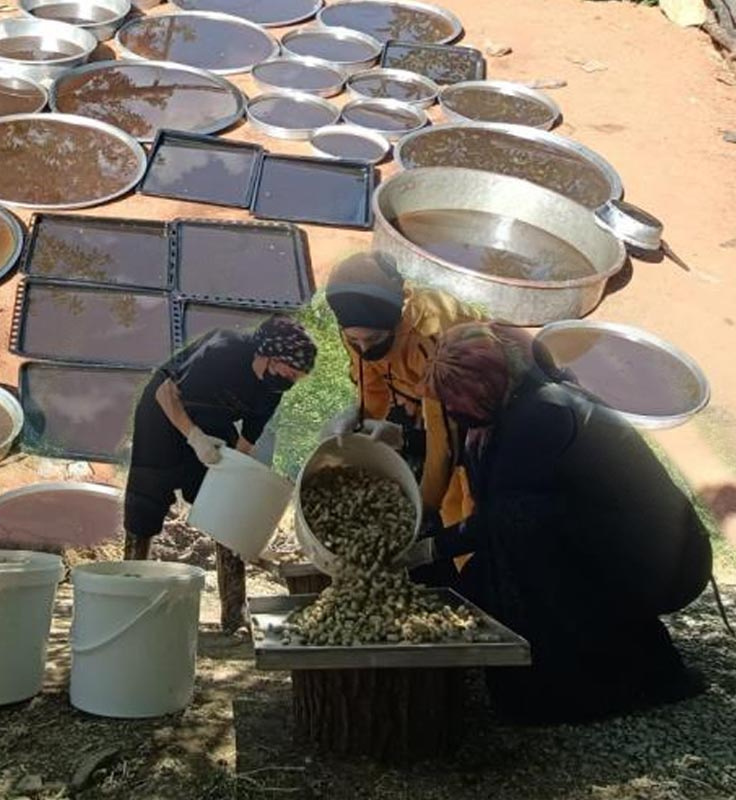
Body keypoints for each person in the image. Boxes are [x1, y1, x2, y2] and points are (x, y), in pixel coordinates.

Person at [410, 322, 712, 722]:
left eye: (458, 401)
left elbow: (505, 520)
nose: (453, 412)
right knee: (508, 555)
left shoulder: (543, 414)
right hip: (608, 541)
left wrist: (428, 550)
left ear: (488, 386)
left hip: (660, 561)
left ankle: (612, 682)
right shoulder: (516, 401)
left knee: (525, 544)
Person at [124, 315, 316, 633]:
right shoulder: (223, 349)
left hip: (213, 424)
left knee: (228, 513)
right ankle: (128, 594)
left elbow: (245, 443)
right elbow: (165, 393)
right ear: (268, 355)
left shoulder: (272, 390)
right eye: (290, 371)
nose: (291, 380)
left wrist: (233, 484)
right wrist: (194, 438)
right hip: (163, 414)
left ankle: (234, 615)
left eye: (297, 377)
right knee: (146, 500)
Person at [323, 252, 483, 533]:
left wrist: (426, 508)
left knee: (466, 490)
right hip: (417, 397)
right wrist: (359, 416)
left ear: (395, 321)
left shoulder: (433, 334)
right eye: (353, 340)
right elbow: (371, 382)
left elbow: (445, 439)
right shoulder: (356, 333)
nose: (363, 348)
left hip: (473, 396)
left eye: (373, 339)